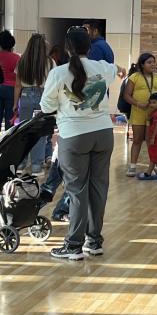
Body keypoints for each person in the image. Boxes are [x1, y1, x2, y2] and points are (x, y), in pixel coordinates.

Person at [39, 25, 116, 262]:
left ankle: (73, 245)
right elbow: (116, 70)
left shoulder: (59, 73)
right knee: (98, 188)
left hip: (74, 136)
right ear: (89, 47)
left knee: (77, 190)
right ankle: (94, 241)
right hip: (104, 133)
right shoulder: (103, 68)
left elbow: (46, 106)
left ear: (67, 49)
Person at [123, 53, 157, 176]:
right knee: (137, 140)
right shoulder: (134, 77)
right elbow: (126, 95)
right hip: (138, 113)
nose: (153, 64)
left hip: (154, 116)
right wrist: (138, 104)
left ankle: (154, 166)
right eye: (149, 62)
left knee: (152, 141)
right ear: (142, 65)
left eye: (154, 62)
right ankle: (132, 166)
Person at [16, 33, 52, 171]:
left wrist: (15, 103)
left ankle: (21, 163)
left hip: (25, 95)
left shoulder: (22, 60)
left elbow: (17, 84)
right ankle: (36, 165)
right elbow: (53, 84)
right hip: (43, 96)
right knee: (40, 131)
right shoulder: (49, 62)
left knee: (24, 131)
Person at [0, 31, 20, 133]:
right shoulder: (17, 58)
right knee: (10, 118)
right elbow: (19, 78)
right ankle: (9, 140)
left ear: (0, 43)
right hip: (12, 90)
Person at [138, 93, 157, 180]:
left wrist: (153, 138)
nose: (151, 105)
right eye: (150, 102)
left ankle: (148, 173)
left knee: (153, 157)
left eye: (154, 102)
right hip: (156, 138)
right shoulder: (156, 113)